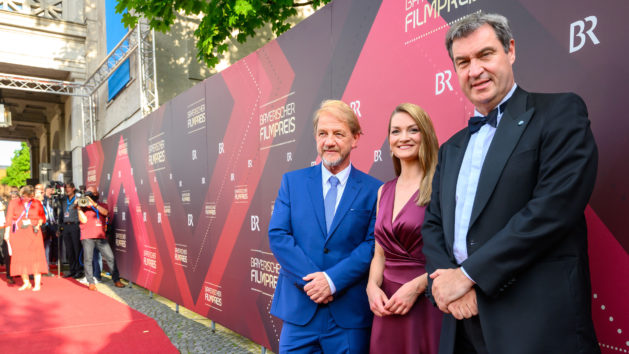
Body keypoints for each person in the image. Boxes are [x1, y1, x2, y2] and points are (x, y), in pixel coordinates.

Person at [422, 13, 599, 354]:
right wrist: (446, 284)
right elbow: (433, 224)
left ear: (510, 51)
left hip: (534, 324)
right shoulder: (451, 148)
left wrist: (468, 276)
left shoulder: (560, 112)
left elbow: (552, 210)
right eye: (463, 62)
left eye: (485, 54)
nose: (475, 70)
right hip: (461, 323)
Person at [268, 100, 382, 353]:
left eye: (338, 134)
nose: (329, 141)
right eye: (323, 134)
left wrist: (332, 281)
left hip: (348, 316)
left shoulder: (374, 190)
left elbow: (371, 245)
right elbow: (279, 235)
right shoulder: (292, 182)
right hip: (300, 311)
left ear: (355, 138)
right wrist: (315, 283)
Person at [367, 103, 442, 354]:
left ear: (426, 136)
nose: (404, 138)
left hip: (426, 304)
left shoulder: (442, 186)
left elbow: (454, 255)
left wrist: (417, 287)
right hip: (387, 306)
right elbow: (380, 254)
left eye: (413, 130)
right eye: (396, 131)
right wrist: (371, 287)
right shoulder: (383, 191)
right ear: (389, 140)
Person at [77, 186, 124, 290]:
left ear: (96, 194)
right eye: (88, 193)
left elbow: (105, 213)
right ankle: (91, 282)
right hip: (87, 236)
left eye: (92, 193)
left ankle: (116, 280)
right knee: (88, 260)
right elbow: (83, 220)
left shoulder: (102, 204)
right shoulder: (83, 205)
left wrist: (93, 204)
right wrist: (79, 209)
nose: (90, 195)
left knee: (110, 257)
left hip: (100, 236)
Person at [4, 185, 47, 291]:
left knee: (36, 257)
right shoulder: (14, 203)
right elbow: (9, 218)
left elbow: (42, 218)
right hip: (18, 233)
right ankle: (26, 282)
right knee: (20, 257)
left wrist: (37, 224)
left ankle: (37, 284)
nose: (28, 198)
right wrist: (7, 233)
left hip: (33, 232)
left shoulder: (37, 203)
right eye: (26, 196)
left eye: (30, 196)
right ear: (22, 195)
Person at [59, 182, 83, 278]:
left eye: (69, 188)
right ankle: (72, 269)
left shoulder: (78, 198)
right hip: (66, 226)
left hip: (75, 225)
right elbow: (61, 213)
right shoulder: (64, 200)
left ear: (73, 189)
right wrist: (60, 227)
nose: (67, 189)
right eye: (66, 188)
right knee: (69, 250)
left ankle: (79, 270)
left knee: (77, 248)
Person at [1, 187, 19, 284]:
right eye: (12, 192)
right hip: (6, 231)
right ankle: (9, 275)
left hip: (18, 232)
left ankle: (17, 271)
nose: (13, 194)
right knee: (7, 254)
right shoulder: (5, 204)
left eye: (15, 192)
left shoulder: (20, 204)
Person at [42, 185, 59, 271]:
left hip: (54, 223)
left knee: (56, 242)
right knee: (47, 244)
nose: (50, 192)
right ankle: (47, 262)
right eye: (48, 191)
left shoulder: (55, 199)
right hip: (47, 223)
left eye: (51, 190)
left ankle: (56, 260)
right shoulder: (44, 200)